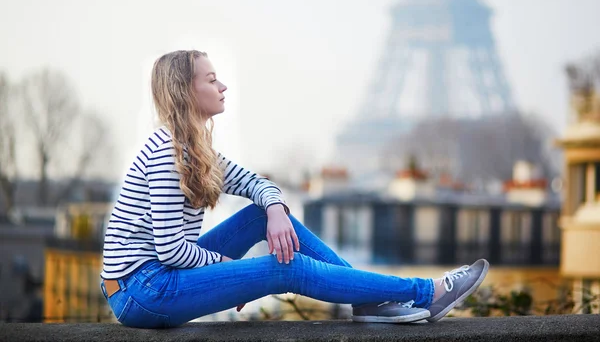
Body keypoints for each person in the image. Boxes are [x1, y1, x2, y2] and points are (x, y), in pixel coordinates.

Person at [100, 50, 489, 329]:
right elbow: (170, 250)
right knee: (286, 268)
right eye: (211, 79)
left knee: (260, 215)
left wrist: (274, 209)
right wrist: (234, 273)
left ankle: (369, 300)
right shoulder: (167, 153)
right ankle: (426, 292)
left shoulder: (194, 150)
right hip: (143, 291)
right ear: (186, 90)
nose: (223, 85)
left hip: (160, 277)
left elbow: (257, 184)